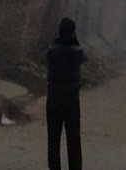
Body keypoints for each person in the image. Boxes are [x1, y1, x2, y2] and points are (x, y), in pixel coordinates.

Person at [46, 17, 85, 170]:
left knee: (53, 140)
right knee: (74, 139)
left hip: (54, 98)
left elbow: (50, 51)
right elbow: (80, 53)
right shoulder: (78, 53)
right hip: (72, 100)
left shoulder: (52, 52)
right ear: (73, 32)